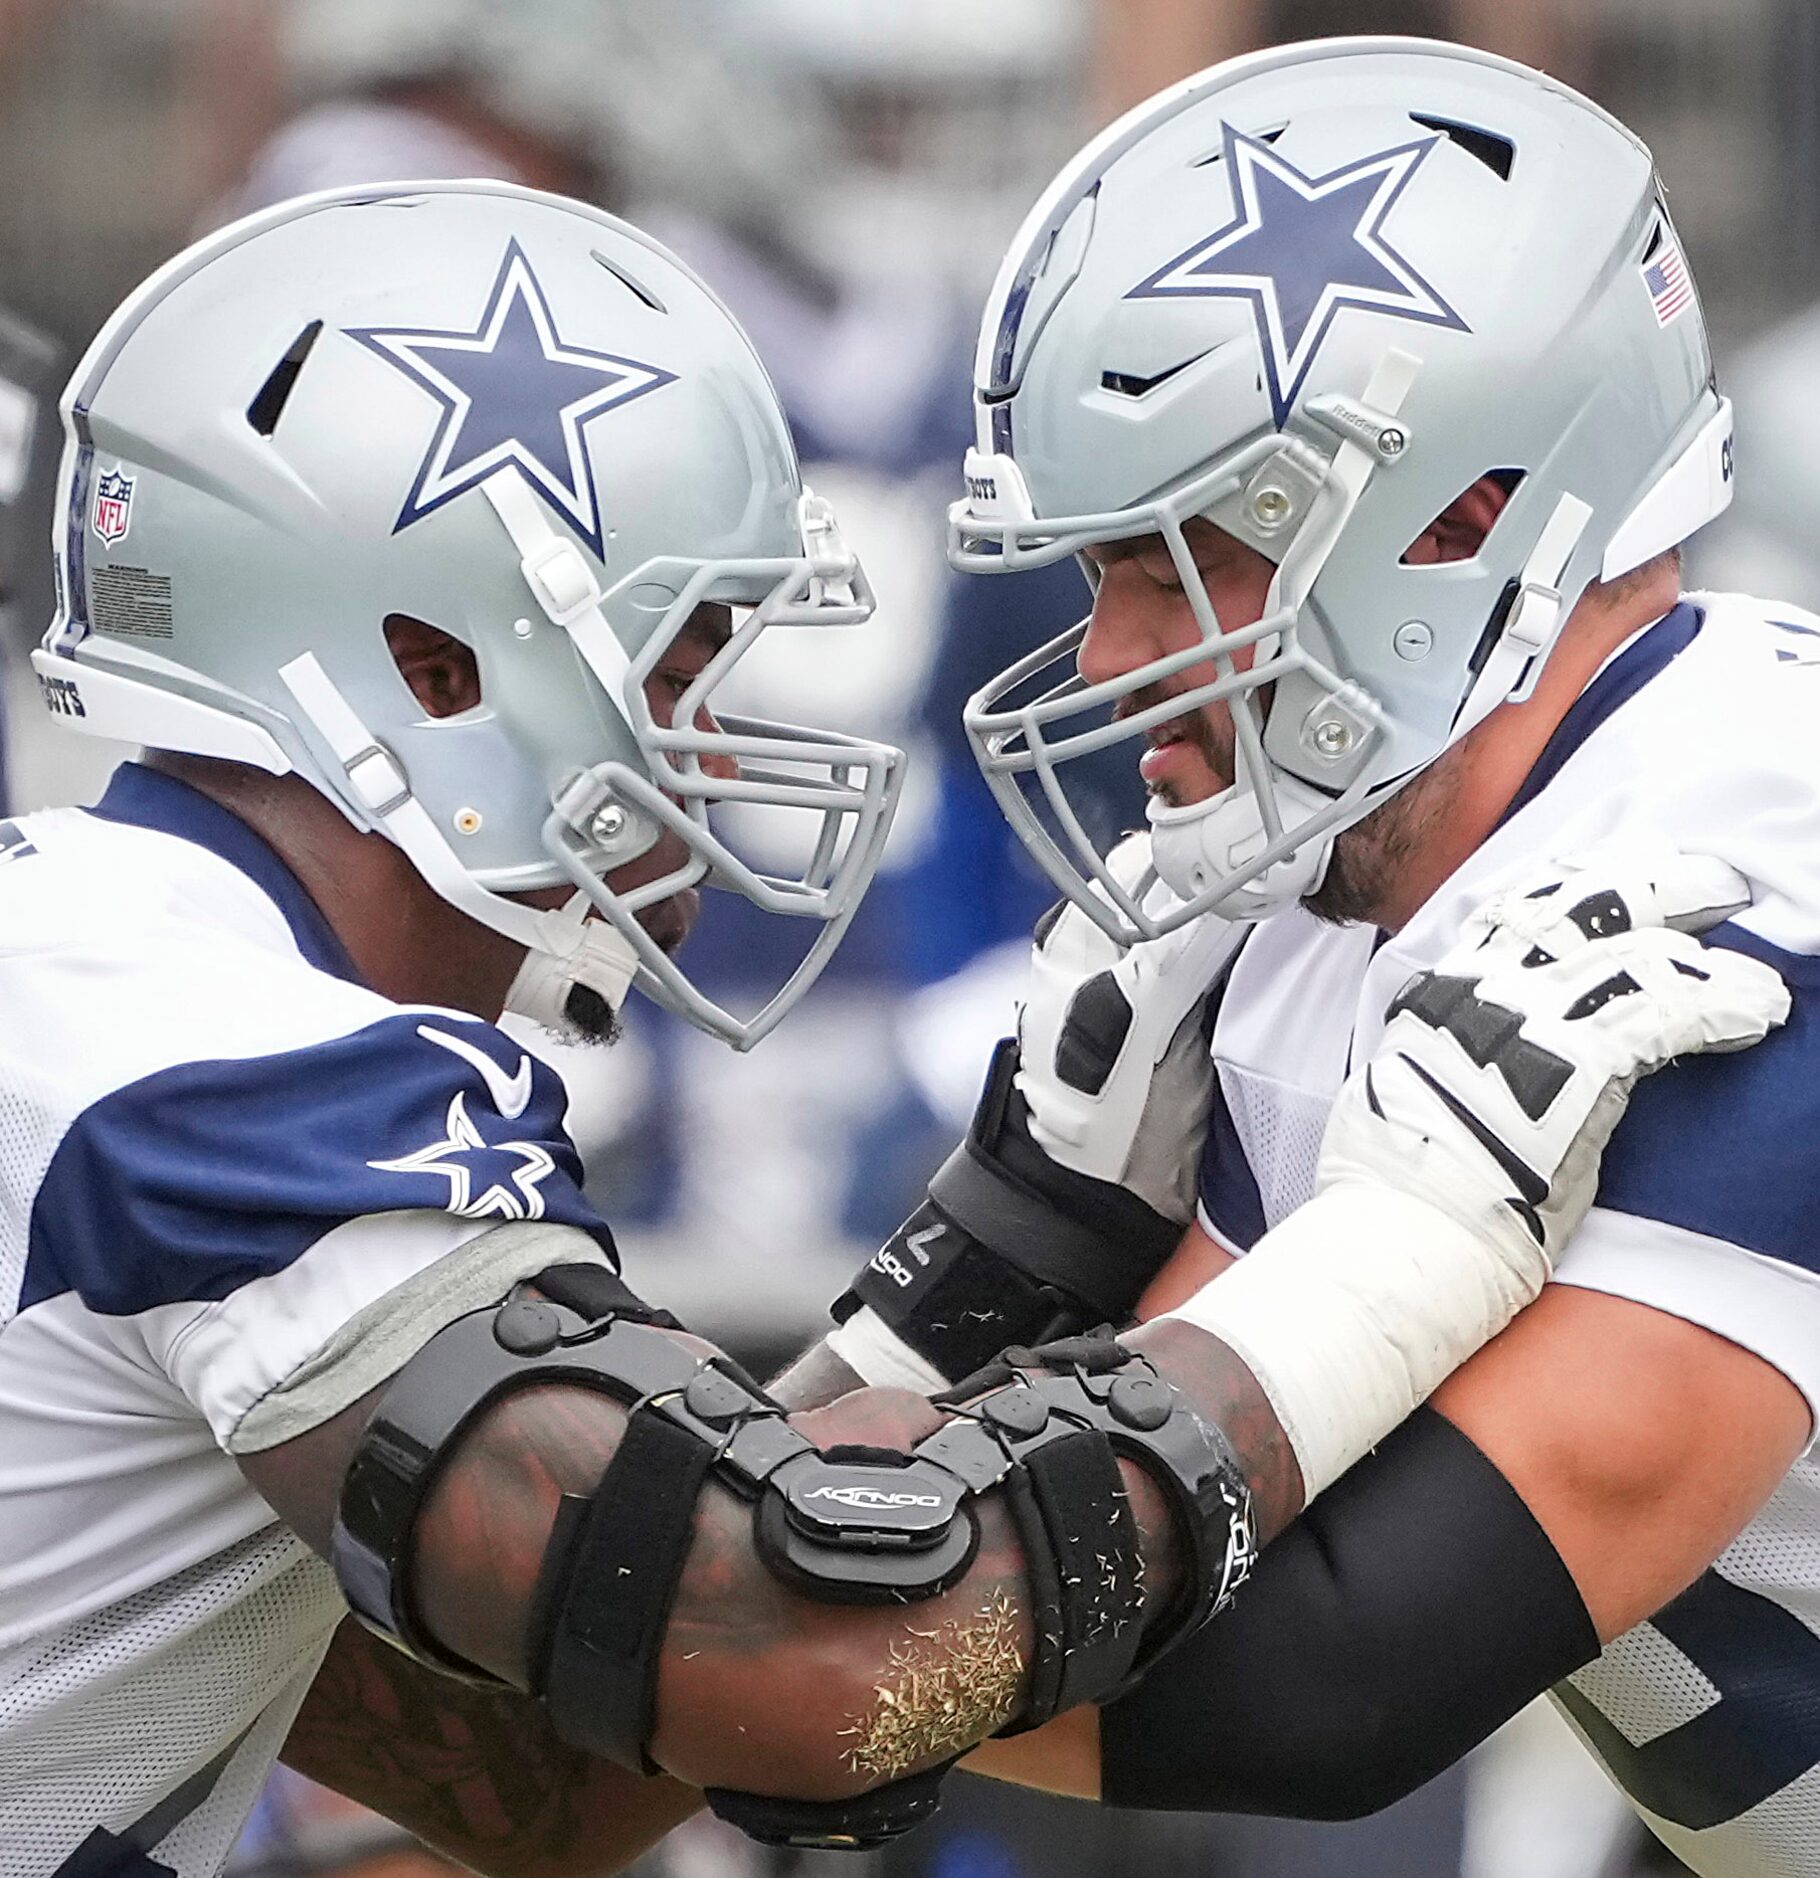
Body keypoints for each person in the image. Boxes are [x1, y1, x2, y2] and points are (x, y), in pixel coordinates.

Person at [1, 177, 1780, 1878]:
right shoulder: (222, 1068)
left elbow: (573, 1754)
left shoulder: (95, 978)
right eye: (678, 663)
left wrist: (990, 1257)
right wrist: (1403, 1247)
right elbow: (778, 1668)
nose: (705, 752)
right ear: (432, 666)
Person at [792, 36, 1820, 1878]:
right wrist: (999, 1259)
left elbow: (1330, 1672)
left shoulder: (1758, 880)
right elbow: (1068, 1502)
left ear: (1459, 522)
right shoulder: (1318, 901)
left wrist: (673, 1631)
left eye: (1175, 560)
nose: (1107, 663)